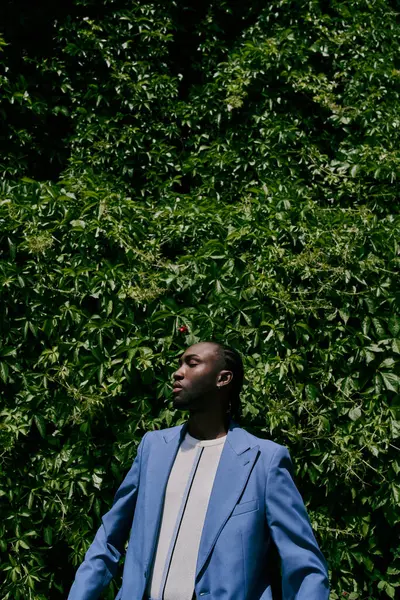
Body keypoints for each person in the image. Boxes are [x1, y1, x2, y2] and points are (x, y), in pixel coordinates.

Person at [67, 341, 329, 600]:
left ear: (223, 378)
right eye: (180, 363)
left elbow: (305, 566)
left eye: (192, 364)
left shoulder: (264, 460)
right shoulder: (153, 448)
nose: (178, 372)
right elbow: (107, 541)